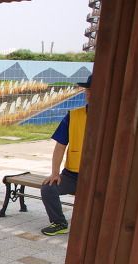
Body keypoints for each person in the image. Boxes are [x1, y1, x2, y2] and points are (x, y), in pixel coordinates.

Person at [40, 74, 92, 236]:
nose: (88, 94)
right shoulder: (74, 115)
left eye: (93, 91)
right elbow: (60, 146)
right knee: (48, 188)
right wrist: (55, 173)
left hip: (100, 177)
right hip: (72, 175)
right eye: (88, 90)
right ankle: (59, 223)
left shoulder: (115, 119)